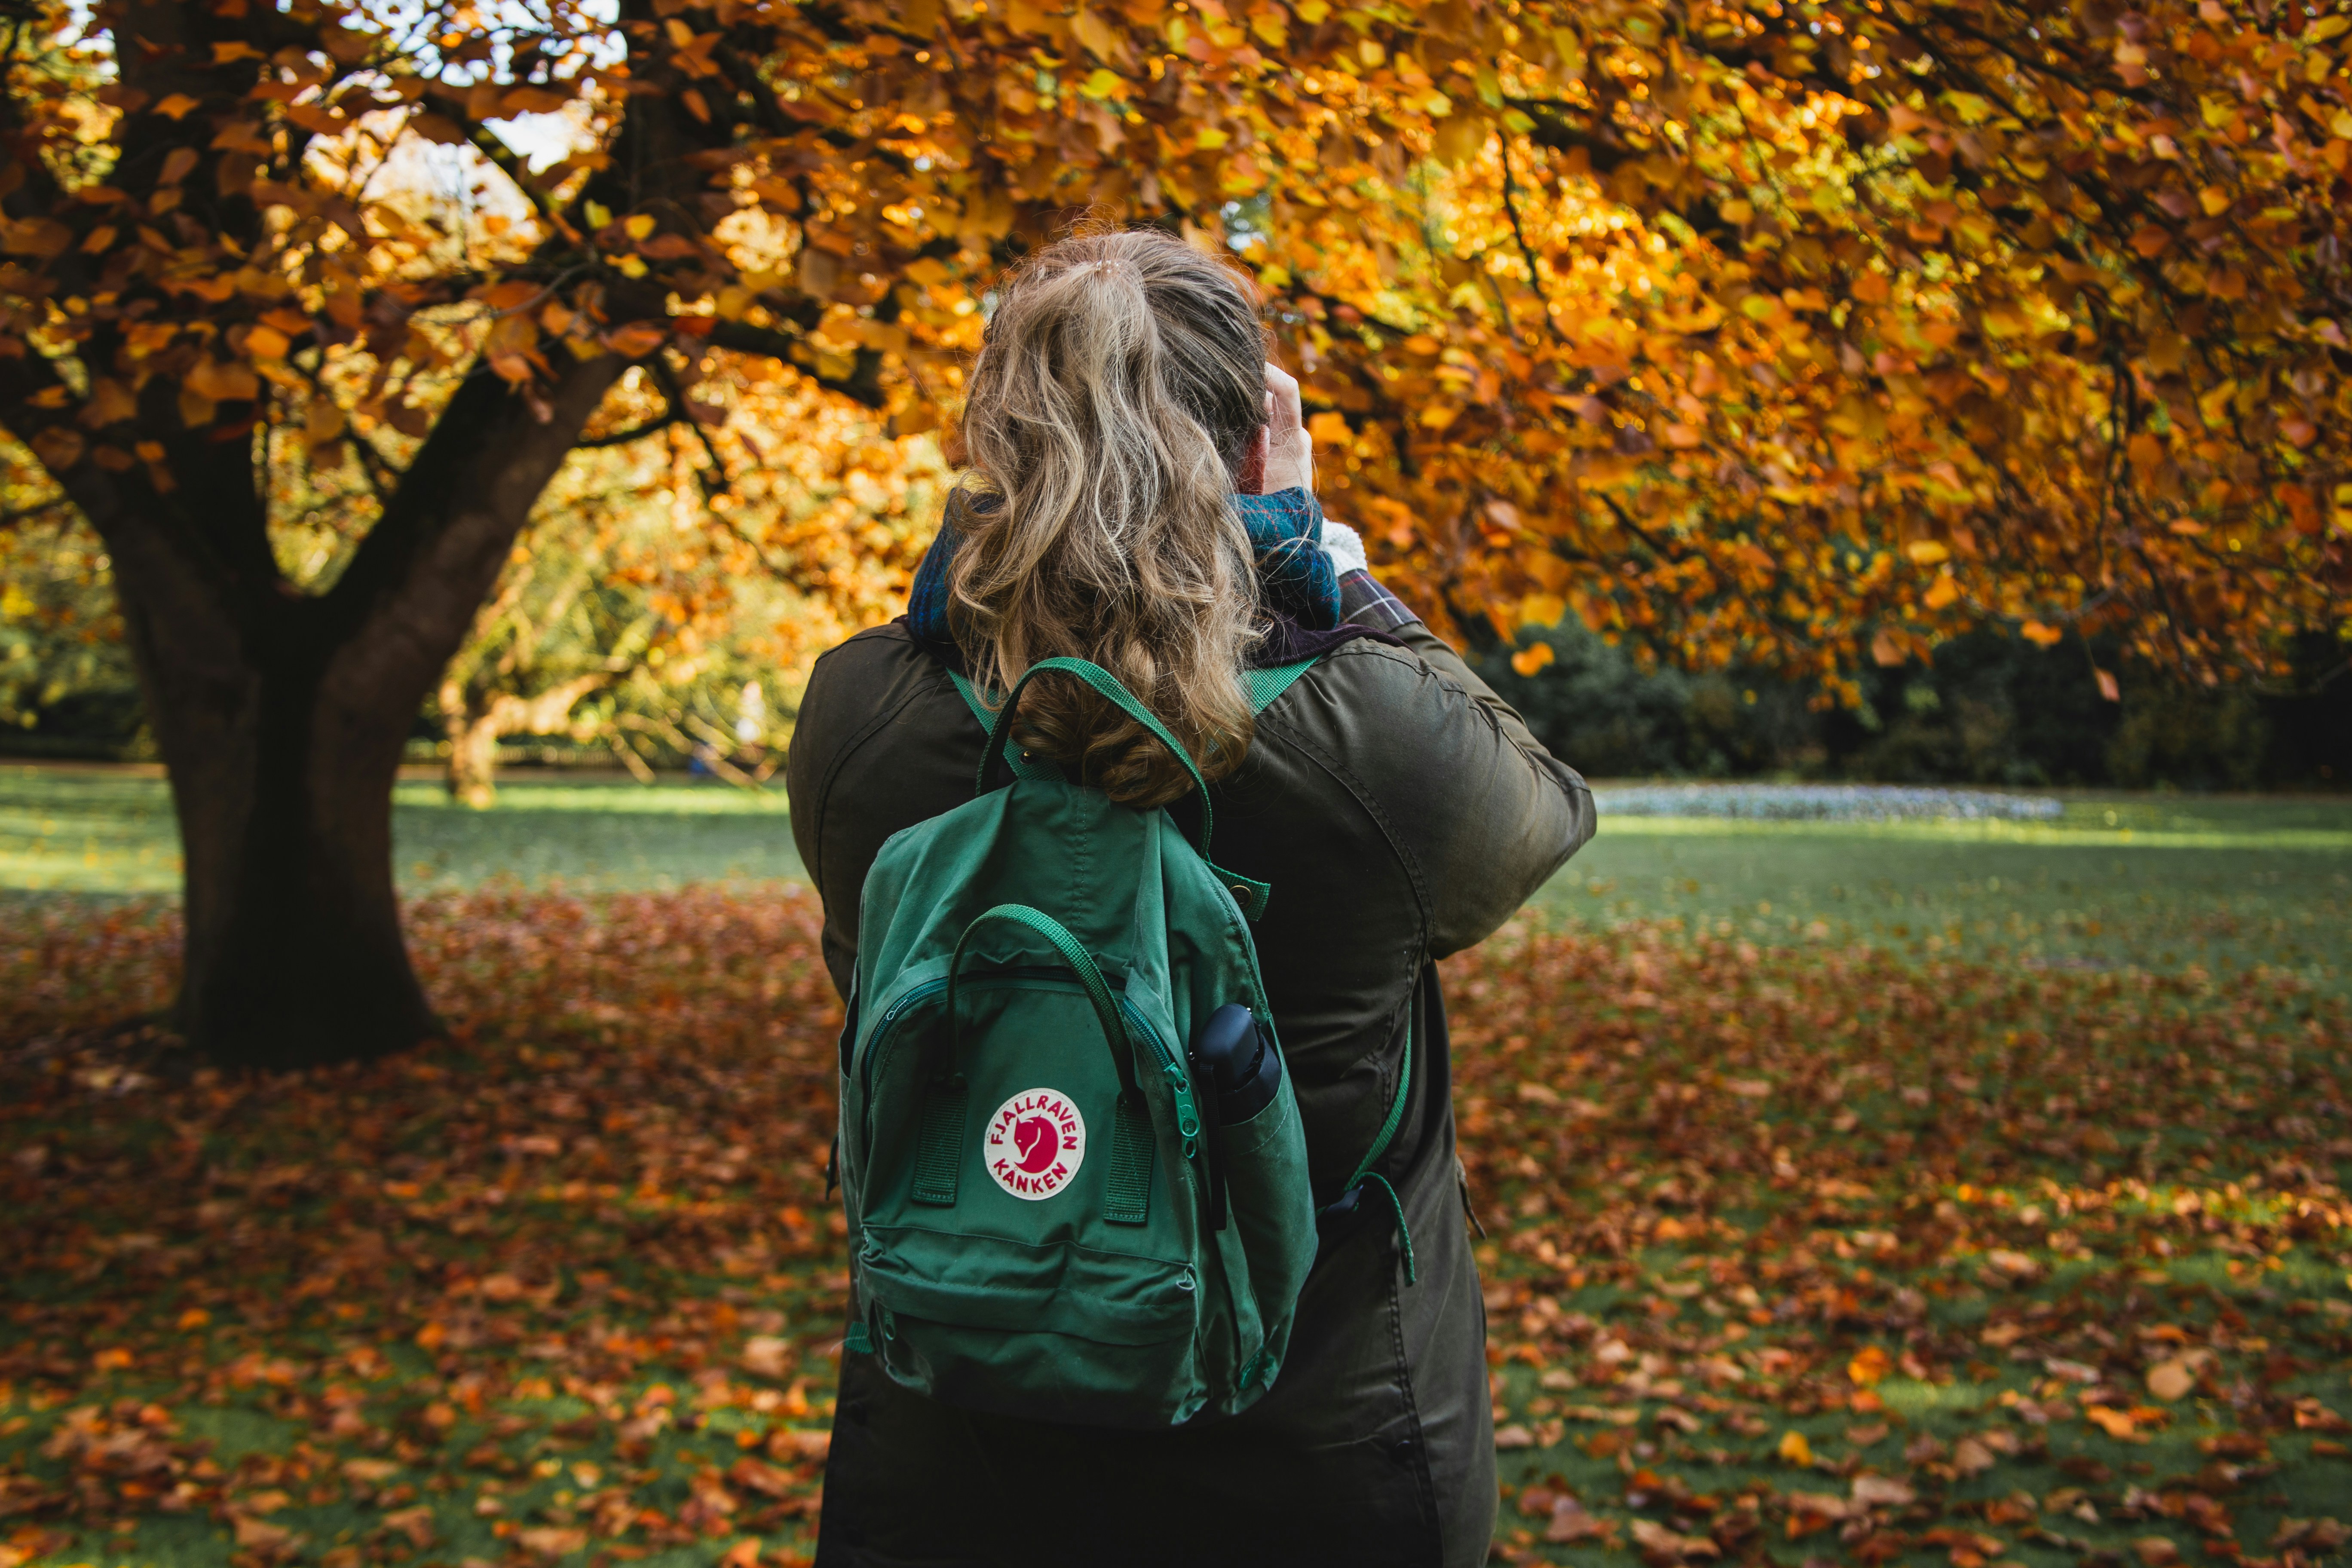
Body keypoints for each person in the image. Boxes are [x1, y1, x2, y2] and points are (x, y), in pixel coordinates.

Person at [785, 227, 1595, 1568]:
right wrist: (1321, 556)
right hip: (1317, 1462)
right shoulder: (1375, 742)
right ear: (1253, 449)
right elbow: (1548, 806)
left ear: (993, 440)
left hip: (954, 1458)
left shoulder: (862, 719)